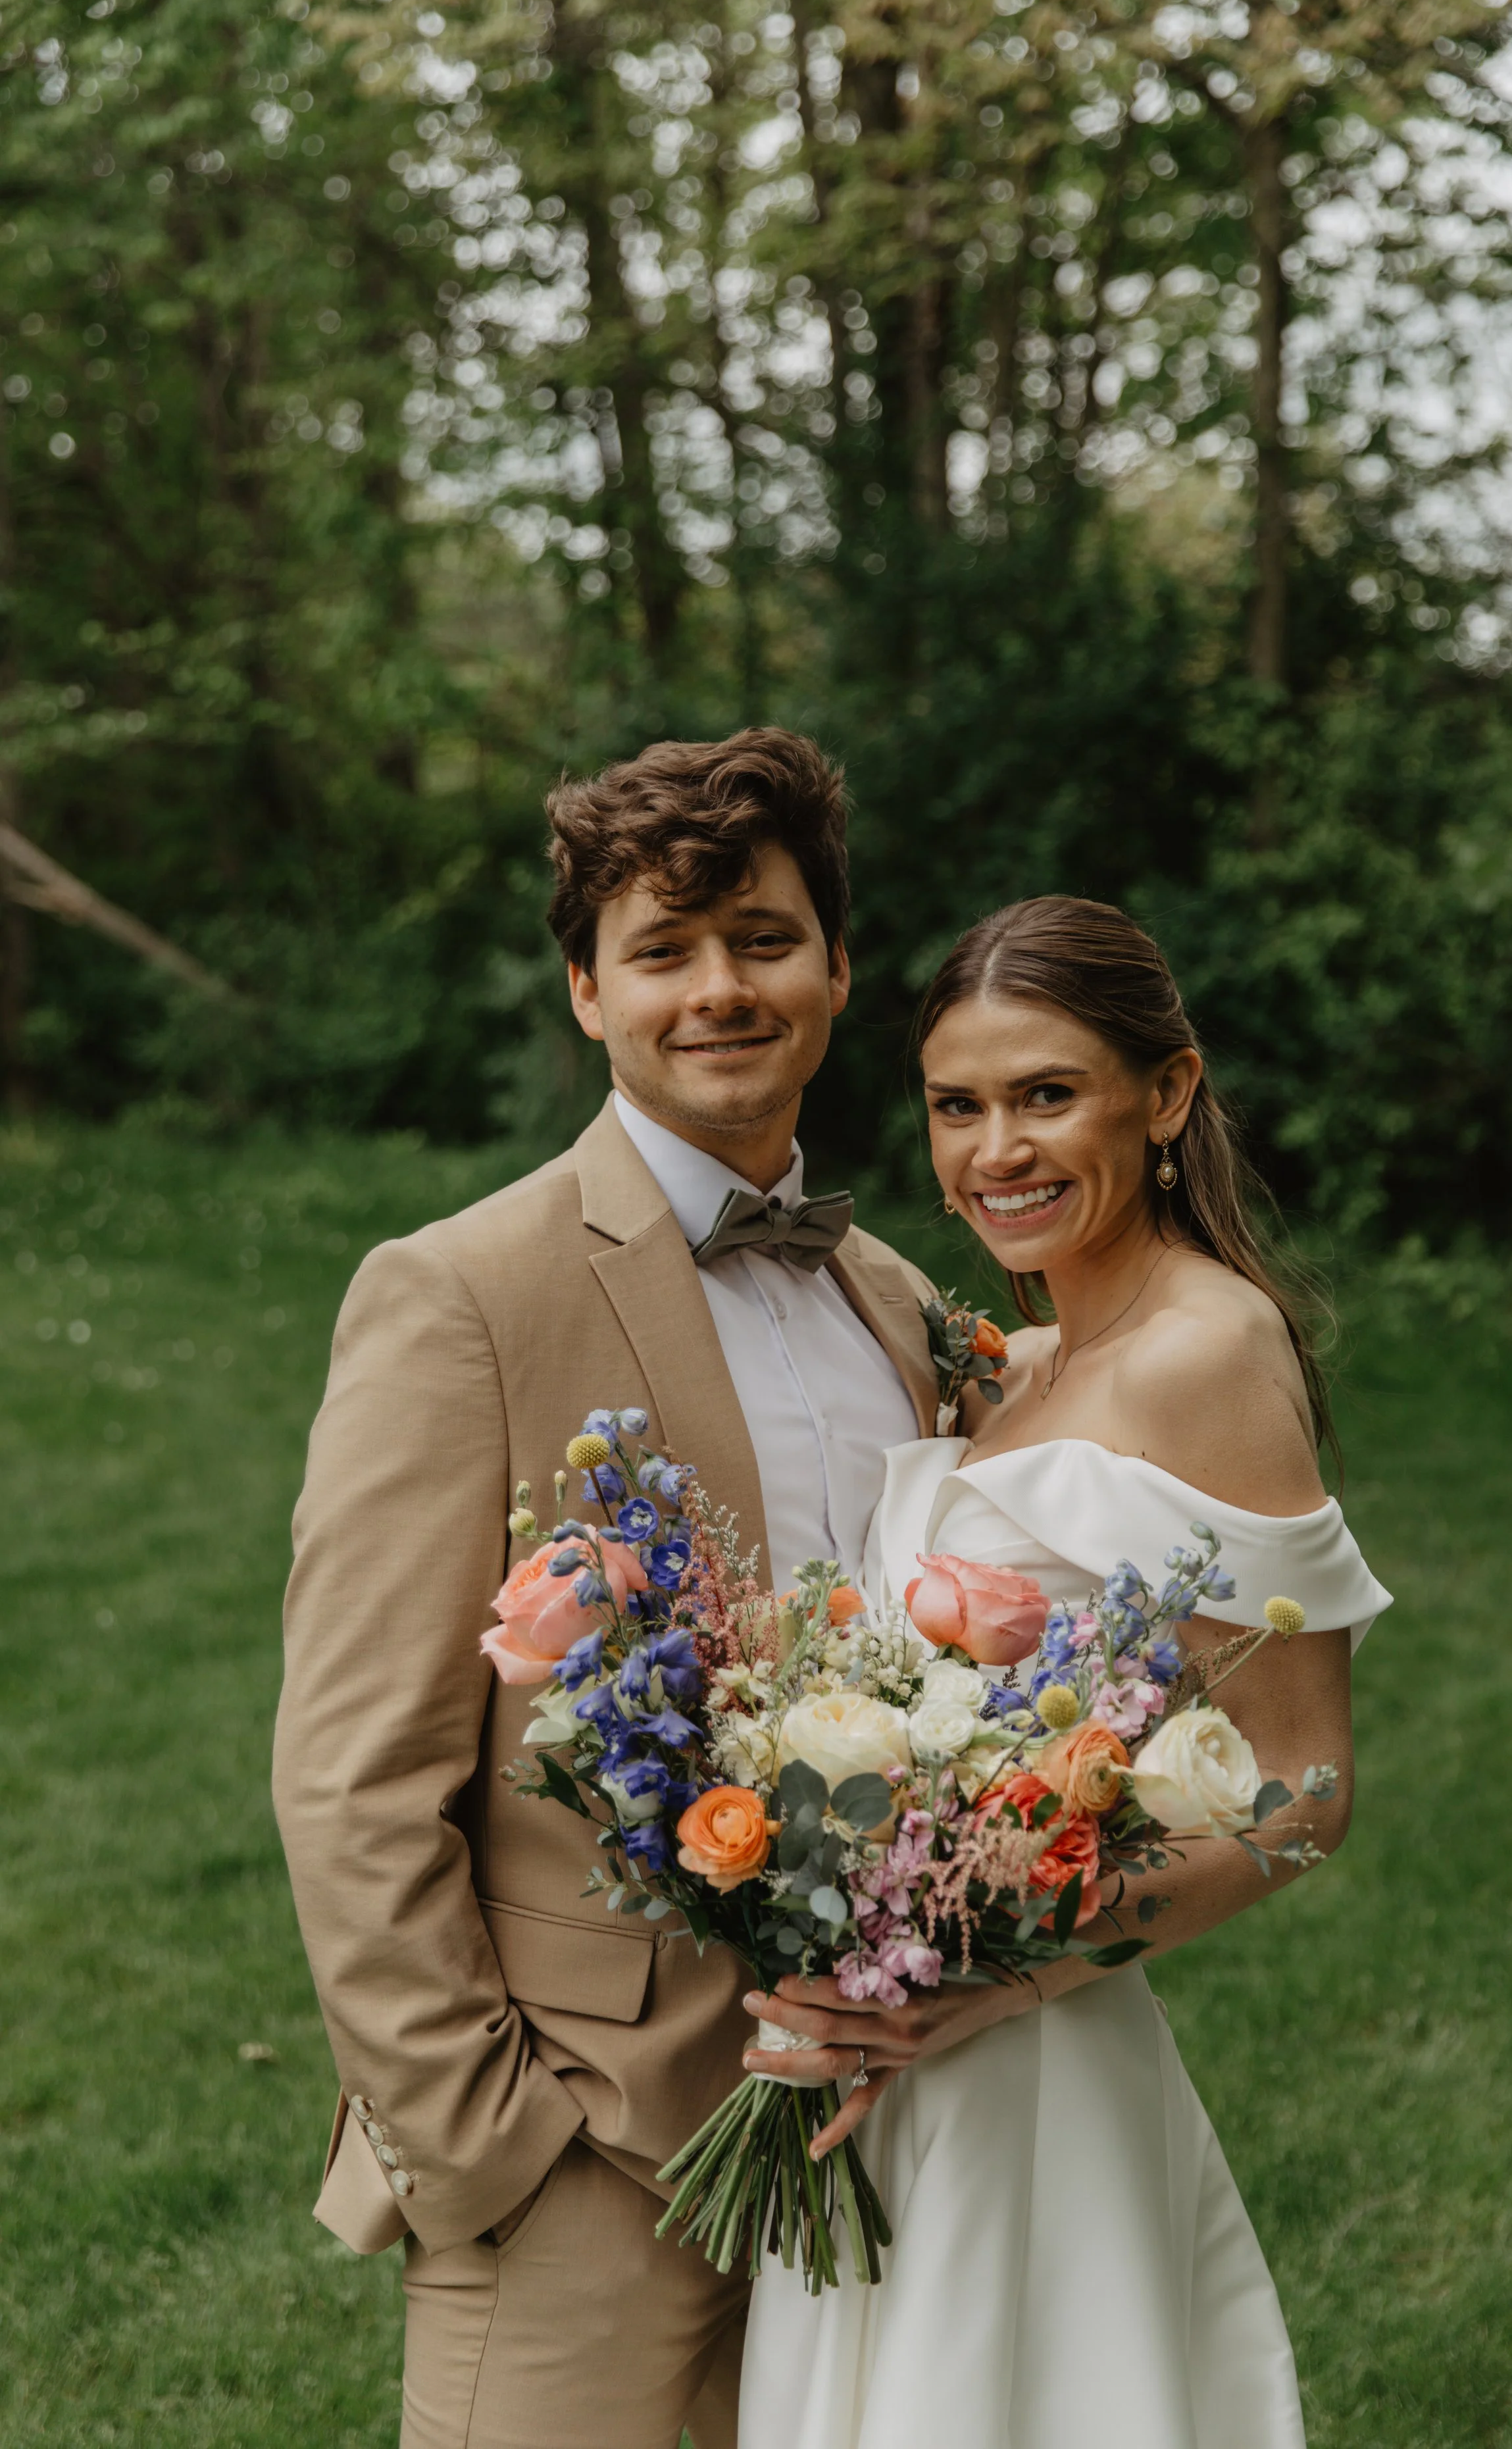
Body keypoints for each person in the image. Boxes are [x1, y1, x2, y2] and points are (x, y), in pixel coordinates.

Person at [272, 728, 940, 2449]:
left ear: (837, 967)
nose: (718, 987)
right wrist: (487, 2135)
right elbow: (353, 1776)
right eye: (662, 948)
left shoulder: (899, 1302)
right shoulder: (460, 1294)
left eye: (764, 939)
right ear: (588, 989)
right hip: (583, 2143)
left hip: (884, 2114)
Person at [738, 894, 1392, 2449]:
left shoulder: (1201, 1354)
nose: (993, 1152)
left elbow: (1303, 1791)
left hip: (1012, 2041)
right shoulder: (1023, 1361)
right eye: (956, 1107)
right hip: (891, 2028)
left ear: (1163, 1096)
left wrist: (998, 1978)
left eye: (1046, 1096)